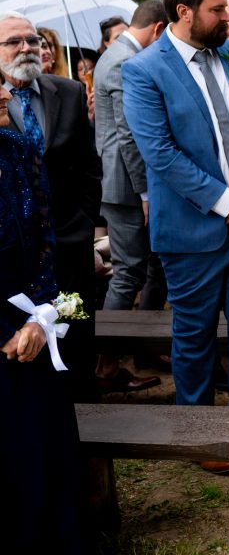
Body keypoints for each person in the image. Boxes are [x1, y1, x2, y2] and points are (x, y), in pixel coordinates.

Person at [122, 0, 229, 474]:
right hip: (191, 226)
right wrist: (222, 201)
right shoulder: (144, 70)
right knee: (193, 331)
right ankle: (200, 430)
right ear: (185, 12)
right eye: (219, 11)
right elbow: (160, 154)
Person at [0, 75, 83, 553]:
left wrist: (41, 316)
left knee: (47, 450)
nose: (7, 95)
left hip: (32, 327)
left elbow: (46, 240)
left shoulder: (18, 152)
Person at [1, 13, 101, 403]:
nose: (27, 47)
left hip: (70, 247)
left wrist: (85, 225)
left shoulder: (70, 92)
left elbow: (90, 168)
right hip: (16, 256)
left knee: (76, 333)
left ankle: (85, 415)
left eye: (32, 39)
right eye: (14, 41)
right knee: (25, 341)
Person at [94, 0, 169, 393]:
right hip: (125, 187)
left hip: (127, 185)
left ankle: (144, 347)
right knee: (128, 272)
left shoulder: (117, 52)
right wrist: (144, 191)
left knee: (151, 266)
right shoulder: (125, 62)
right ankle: (106, 365)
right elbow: (129, 135)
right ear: (158, 30)